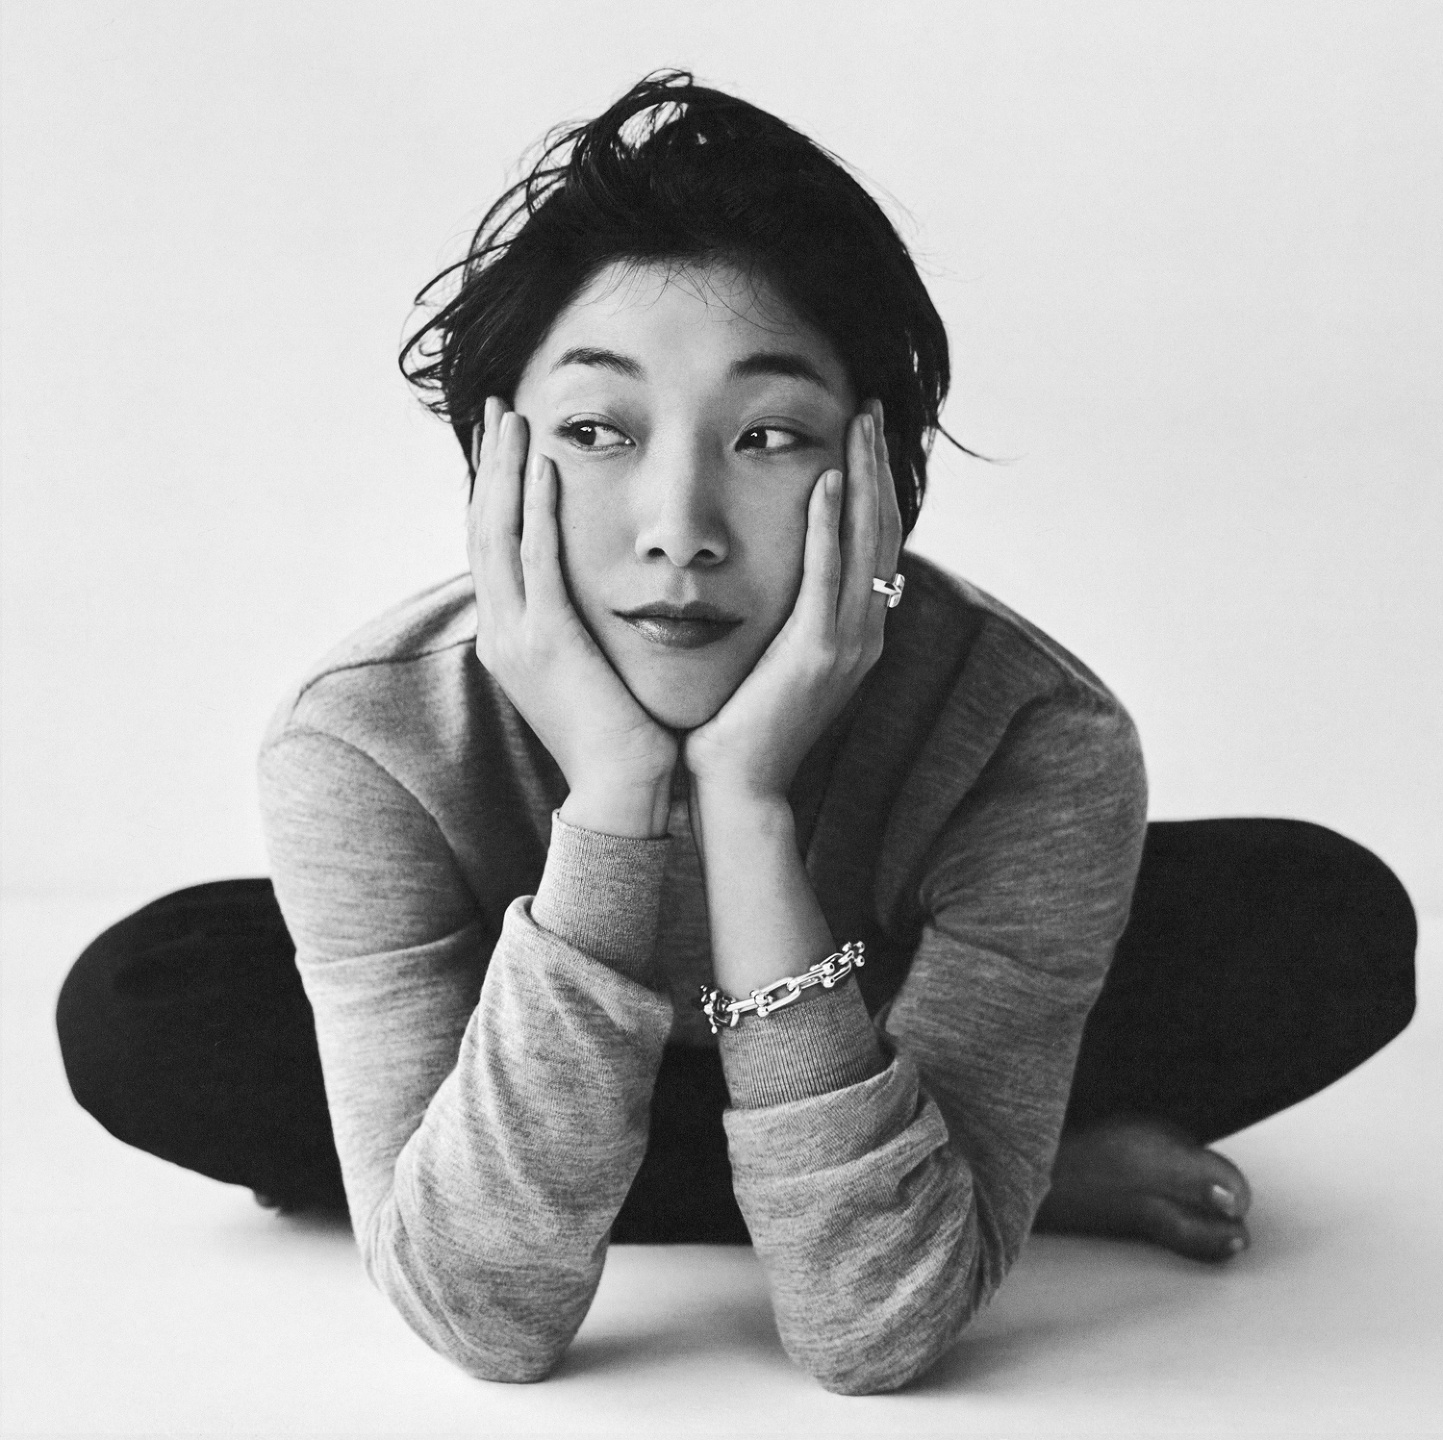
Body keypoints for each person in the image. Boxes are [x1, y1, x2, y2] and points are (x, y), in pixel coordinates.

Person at [55, 73, 1416, 1396]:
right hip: (544, 1028)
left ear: (879, 471)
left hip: (890, 1012)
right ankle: (991, 1174)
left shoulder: (1028, 735)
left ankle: (894, 1165)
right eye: (598, 429)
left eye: (767, 436)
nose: (679, 528)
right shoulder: (367, 737)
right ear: (497, 460)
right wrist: (615, 792)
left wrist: (748, 804)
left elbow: (873, 1331)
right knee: (148, 1010)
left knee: (1320, 920)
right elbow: (481, 1316)